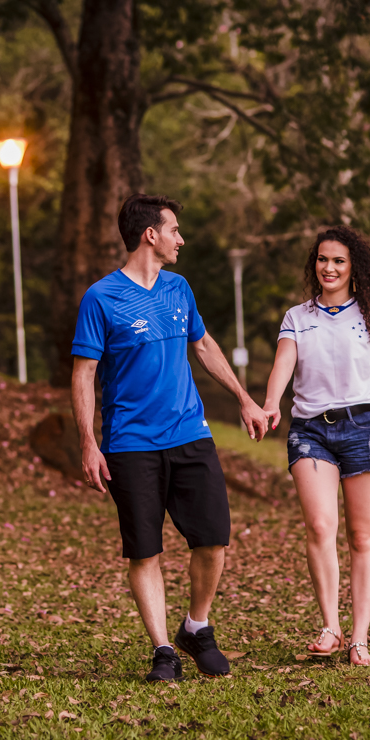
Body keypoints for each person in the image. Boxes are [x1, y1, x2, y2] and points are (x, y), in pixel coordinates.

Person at [71, 193, 270, 682]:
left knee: (213, 539)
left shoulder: (179, 288)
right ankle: (163, 649)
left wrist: (244, 397)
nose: (181, 239)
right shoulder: (101, 298)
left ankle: (196, 627)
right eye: (174, 230)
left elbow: (203, 345)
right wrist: (89, 443)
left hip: (188, 433)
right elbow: (84, 373)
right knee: (145, 551)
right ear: (150, 235)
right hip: (130, 443)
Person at [261, 226, 370, 666]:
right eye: (323, 259)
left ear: (353, 267)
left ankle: (359, 638)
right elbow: (283, 364)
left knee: (362, 536)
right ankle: (330, 626)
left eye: (339, 260)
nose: (329, 267)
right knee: (321, 526)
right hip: (311, 432)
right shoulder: (297, 317)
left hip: (366, 429)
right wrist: (270, 404)